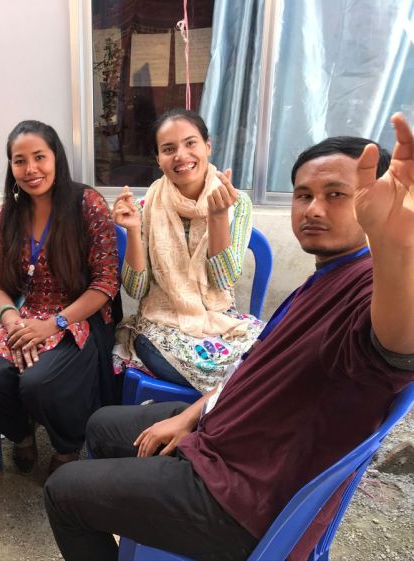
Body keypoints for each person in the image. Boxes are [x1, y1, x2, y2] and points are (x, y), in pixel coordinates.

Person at [44, 115, 414, 561]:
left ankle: (132, 512)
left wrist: (397, 248)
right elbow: (246, 362)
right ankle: (134, 517)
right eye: (303, 195)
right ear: (157, 158)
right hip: (226, 428)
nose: (314, 209)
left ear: (208, 146)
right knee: (102, 424)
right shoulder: (326, 275)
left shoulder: (370, 289)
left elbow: (395, 350)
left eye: (336, 194)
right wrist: (193, 415)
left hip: (245, 494)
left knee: (63, 491)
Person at [0, 120, 119, 475]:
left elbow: (106, 283)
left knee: (40, 382)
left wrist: (53, 324)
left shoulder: (87, 204)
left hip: (74, 314)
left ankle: (68, 445)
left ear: (56, 158)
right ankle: (22, 435)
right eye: (20, 160)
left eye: (40, 157)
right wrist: (11, 320)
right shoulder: (8, 214)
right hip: (20, 312)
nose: (31, 169)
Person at [112, 109, 262, 393]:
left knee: (275, 355)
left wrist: (218, 217)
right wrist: (132, 230)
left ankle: (221, 409)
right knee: (248, 378)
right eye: (169, 149)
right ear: (158, 159)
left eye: (190, 143)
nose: (181, 155)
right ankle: (226, 409)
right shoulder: (145, 207)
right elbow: (136, 289)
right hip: (161, 326)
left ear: (208, 146)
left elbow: (223, 280)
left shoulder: (236, 202)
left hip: (221, 321)